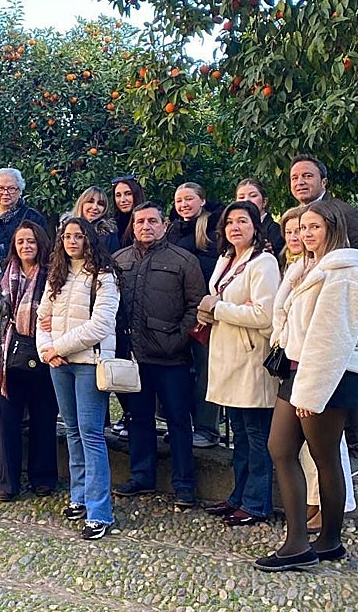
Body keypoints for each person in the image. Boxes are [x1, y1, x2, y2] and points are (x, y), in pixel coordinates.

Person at [257, 199, 358, 572]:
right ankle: (306, 541)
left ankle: (320, 541)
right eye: (302, 228)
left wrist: (312, 393)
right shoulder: (305, 268)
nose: (305, 234)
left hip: (329, 376)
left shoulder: (344, 272)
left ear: (332, 228)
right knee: (280, 447)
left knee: (324, 458)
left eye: (314, 227)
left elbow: (331, 338)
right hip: (298, 370)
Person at [288, 154, 358, 476]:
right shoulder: (296, 217)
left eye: (307, 176)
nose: (300, 182)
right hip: (304, 316)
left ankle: (357, 450)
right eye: (295, 177)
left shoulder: (342, 213)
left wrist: (353, 309)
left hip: (339, 312)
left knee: (352, 375)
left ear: (323, 182)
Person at [112, 202, 207, 508]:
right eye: (140, 222)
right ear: (133, 226)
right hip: (133, 357)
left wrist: (178, 339)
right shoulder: (119, 260)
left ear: (164, 225)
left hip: (172, 358)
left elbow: (197, 305)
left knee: (179, 421)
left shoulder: (183, 260)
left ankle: (184, 484)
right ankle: (142, 476)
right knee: (138, 418)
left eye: (153, 221)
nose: (146, 226)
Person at [36, 217, 120, 539]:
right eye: (67, 236)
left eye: (78, 236)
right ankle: (79, 496)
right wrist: (47, 351)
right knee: (71, 431)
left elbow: (100, 325)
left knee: (91, 434)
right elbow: (43, 317)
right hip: (59, 363)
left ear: (89, 239)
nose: (72, 241)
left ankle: (100, 512)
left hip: (88, 362)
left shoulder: (104, 276)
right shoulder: (56, 275)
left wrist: (57, 346)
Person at [198, 201, 281, 527]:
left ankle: (257, 503)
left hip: (250, 361)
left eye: (242, 221)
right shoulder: (225, 260)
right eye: (230, 222)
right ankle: (238, 496)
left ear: (255, 227)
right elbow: (222, 302)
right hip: (227, 358)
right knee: (240, 436)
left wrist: (218, 309)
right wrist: (216, 308)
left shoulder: (264, 263)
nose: (235, 227)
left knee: (256, 436)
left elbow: (264, 315)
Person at [0, 221, 58, 502]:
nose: (26, 246)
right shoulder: (4, 275)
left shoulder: (52, 276)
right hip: (7, 355)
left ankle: (44, 477)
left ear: (41, 244)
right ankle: (8, 481)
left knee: (43, 419)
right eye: (21, 241)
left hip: (43, 355)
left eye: (31, 241)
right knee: (4, 420)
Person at [167, 181, 222, 449]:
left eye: (189, 199)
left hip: (203, 310)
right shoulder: (173, 229)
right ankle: (180, 424)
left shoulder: (212, 228)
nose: (184, 205)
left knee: (205, 370)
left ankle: (207, 427)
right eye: (179, 201)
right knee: (179, 370)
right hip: (177, 309)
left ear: (202, 200)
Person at [0, 167, 48, 267]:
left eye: (11, 188)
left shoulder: (33, 217)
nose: (5, 193)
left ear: (20, 191)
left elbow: (43, 250)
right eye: (1, 188)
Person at [236, 178, 285, 258]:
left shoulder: (275, 230)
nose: (246, 200)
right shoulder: (232, 229)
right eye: (241, 197)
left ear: (264, 201)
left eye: (253, 196)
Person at [69, 185, 121, 253]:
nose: (95, 207)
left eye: (100, 204)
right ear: (81, 203)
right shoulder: (66, 229)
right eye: (90, 201)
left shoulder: (109, 234)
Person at [110, 176, 146, 246]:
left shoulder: (148, 222)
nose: (123, 200)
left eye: (128, 194)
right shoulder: (111, 226)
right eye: (118, 195)